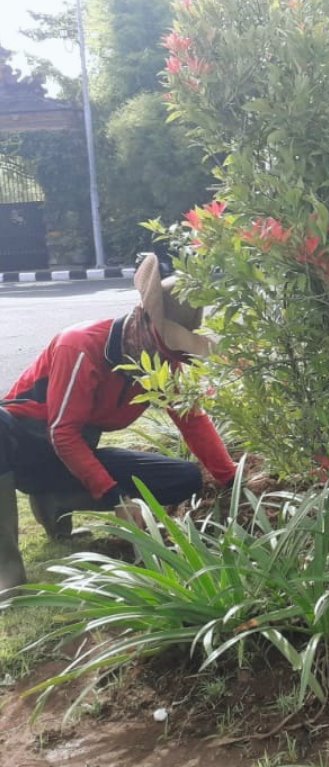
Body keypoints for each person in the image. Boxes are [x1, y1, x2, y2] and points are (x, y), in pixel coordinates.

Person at [0, 255, 238, 596]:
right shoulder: (80, 345)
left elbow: (192, 420)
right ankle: (8, 573)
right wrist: (115, 497)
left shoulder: (161, 367)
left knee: (183, 477)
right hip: (25, 447)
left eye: (174, 356)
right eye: (162, 347)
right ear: (141, 320)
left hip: (72, 456)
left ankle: (57, 499)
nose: (166, 362)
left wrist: (230, 479)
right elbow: (61, 432)